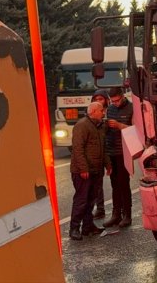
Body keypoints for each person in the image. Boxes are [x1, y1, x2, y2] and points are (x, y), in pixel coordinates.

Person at [69, 101, 111, 240]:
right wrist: (83, 168)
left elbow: (102, 148)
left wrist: (107, 164)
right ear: (93, 112)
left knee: (91, 199)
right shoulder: (82, 126)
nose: (103, 113)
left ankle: (88, 226)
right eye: (101, 111)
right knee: (81, 200)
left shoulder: (99, 126)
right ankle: (74, 228)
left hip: (95, 170)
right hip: (83, 172)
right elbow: (77, 149)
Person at [103, 87, 134, 228]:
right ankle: (116, 214)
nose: (115, 103)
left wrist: (120, 125)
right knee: (114, 184)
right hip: (111, 151)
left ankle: (127, 214)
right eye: (112, 101)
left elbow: (136, 130)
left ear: (122, 96)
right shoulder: (110, 109)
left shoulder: (132, 108)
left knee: (124, 183)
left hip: (124, 151)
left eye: (117, 100)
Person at [91, 89, 109, 220]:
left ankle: (118, 211)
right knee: (96, 185)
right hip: (98, 155)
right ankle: (100, 208)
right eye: (96, 99)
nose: (99, 102)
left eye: (101, 99)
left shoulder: (112, 112)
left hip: (111, 151)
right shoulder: (90, 120)